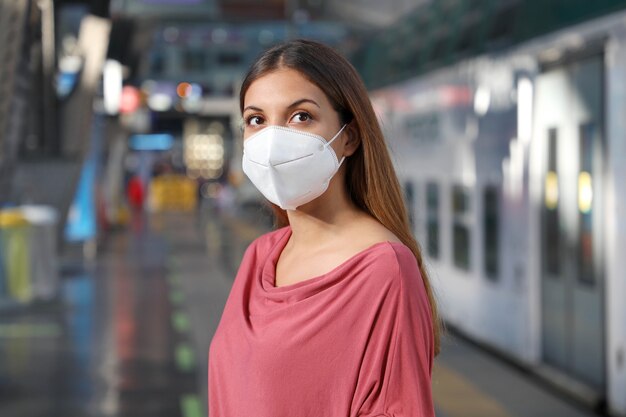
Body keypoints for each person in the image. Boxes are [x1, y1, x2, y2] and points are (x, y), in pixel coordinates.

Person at [208, 39, 440, 417]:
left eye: (300, 116)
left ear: (349, 136)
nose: (272, 140)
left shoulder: (384, 271)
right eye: (256, 120)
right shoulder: (260, 257)